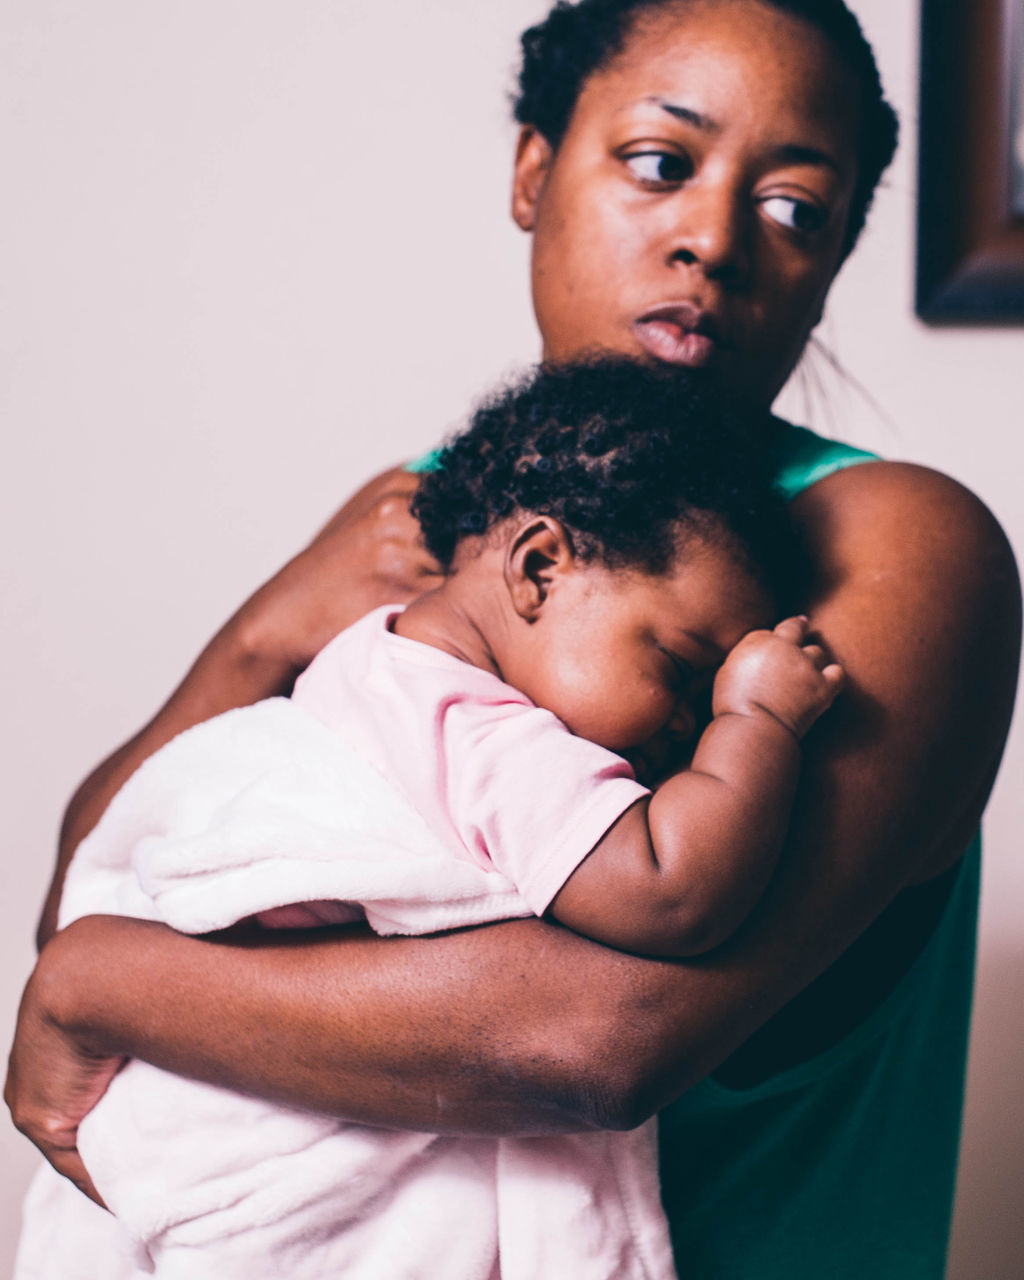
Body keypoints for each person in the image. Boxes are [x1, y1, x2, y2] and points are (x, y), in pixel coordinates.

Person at [6, 2, 1020, 1277]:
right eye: (660, 163)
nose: (711, 238)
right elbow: (117, 881)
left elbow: (597, 1042)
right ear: (533, 171)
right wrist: (268, 629)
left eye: (795, 210)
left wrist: (99, 986)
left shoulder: (900, 545)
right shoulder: (431, 516)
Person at [19, 360, 842, 1279]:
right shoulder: (487, 733)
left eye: (708, 701)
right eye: (684, 671)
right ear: (539, 568)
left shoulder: (370, 664)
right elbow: (669, 891)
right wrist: (757, 721)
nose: (686, 728)